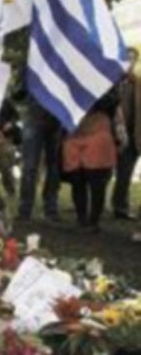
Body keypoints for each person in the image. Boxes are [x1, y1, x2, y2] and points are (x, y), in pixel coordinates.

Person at [62, 97, 122, 233]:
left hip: (96, 131)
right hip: (74, 133)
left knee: (96, 182)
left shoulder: (107, 87)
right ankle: (82, 219)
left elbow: (113, 102)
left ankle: (92, 220)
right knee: (78, 181)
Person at [17, 96, 62, 222]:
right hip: (40, 114)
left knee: (50, 166)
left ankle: (45, 208)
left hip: (49, 115)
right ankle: (28, 209)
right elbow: (18, 91)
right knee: (33, 166)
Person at [111, 48, 140, 220]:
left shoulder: (138, 83)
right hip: (108, 132)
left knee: (125, 173)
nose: (129, 62)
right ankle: (93, 207)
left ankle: (120, 206)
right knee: (102, 173)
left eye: (132, 59)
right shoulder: (110, 82)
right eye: (126, 58)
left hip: (131, 133)